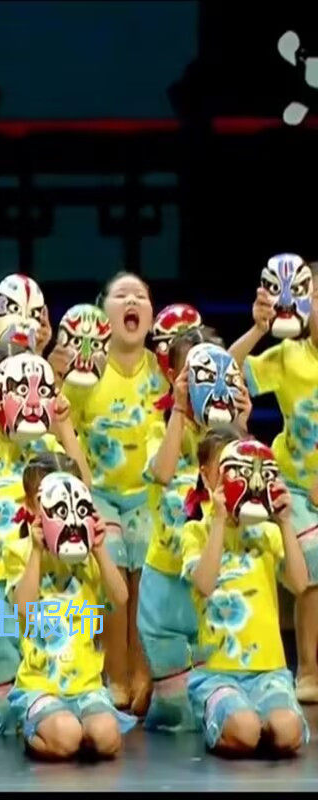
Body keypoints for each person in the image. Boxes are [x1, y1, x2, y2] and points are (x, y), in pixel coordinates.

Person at [0, 341, 91, 734]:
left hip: (41, 582)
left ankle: (48, 727)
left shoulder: (47, 446)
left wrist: (63, 425)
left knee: (42, 683)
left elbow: (84, 488)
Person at [51, 271, 166, 715]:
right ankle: (114, 673)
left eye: (140, 295)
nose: (132, 300)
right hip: (98, 491)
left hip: (149, 494)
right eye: (121, 295)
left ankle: (142, 670)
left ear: (151, 316)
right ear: (102, 314)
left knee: (145, 581)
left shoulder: (164, 370)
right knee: (112, 567)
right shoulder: (85, 374)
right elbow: (59, 423)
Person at [138, 327, 251, 732]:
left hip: (212, 579)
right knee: (177, 716)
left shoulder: (231, 437)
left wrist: (241, 423)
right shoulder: (158, 425)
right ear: (175, 377)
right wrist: (180, 408)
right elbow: (164, 472)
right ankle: (156, 692)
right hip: (166, 579)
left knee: (209, 704)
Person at [181, 426, 309, 757]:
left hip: (269, 671)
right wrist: (219, 521)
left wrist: (285, 522)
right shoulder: (195, 532)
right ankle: (231, 720)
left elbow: (299, 584)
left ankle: (258, 719)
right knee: (245, 729)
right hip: (217, 674)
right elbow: (204, 584)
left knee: (287, 732)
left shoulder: (268, 533)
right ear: (207, 475)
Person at [229, 264, 318, 702]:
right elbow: (224, 373)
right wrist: (258, 330)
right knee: (314, 557)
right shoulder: (288, 357)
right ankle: (309, 671)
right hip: (295, 489)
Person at [6, 459, 135, 760]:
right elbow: (23, 608)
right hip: (41, 684)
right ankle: (36, 730)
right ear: (32, 505)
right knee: (65, 736)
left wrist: (100, 549)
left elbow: (120, 597)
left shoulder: (88, 554)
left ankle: (77, 731)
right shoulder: (20, 551)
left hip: (86, 684)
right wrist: (37, 551)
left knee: (107, 738)